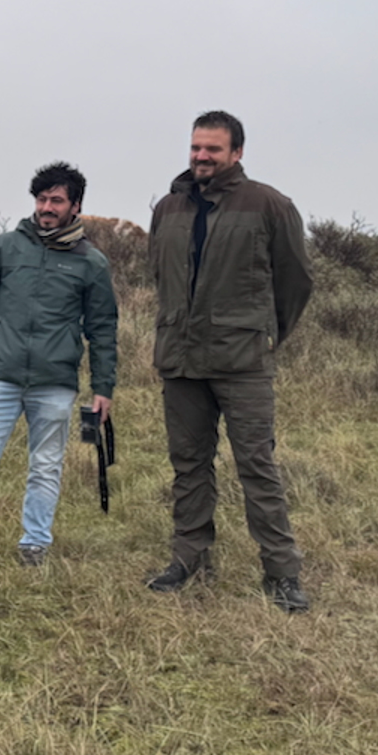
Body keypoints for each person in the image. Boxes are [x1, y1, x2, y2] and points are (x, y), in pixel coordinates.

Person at [144, 111, 315, 611]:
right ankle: (190, 558)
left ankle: (281, 572)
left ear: (236, 153)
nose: (202, 157)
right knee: (188, 464)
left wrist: (264, 336)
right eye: (196, 147)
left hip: (242, 361)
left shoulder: (269, 205)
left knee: (257, 466)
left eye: (213, 149)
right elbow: (162, 275)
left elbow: (296, 281)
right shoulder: (168, 208)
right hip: (180, 358)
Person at [0, 161, 118, 567]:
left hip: (55, 382)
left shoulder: (91, 263)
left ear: (75, 206)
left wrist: (103, 388)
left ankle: (34, 546)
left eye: (56, 200)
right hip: (1, 376)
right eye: (42, 199)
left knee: (45, 468)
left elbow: (103, 329)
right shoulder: (3, 248)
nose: (47, 207)